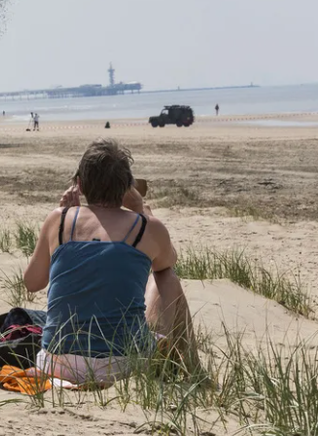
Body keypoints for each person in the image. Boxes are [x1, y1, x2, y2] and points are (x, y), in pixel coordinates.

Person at [22, 139, 195, 384]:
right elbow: (167, 261)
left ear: (79, 185)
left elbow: (32, 282)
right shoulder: (146, 226)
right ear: (127, 186)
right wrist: (140, 210)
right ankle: (194, 368)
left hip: (55, 362)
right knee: (167, 277)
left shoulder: (58, 221)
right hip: (119, 364)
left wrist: (63, 219)